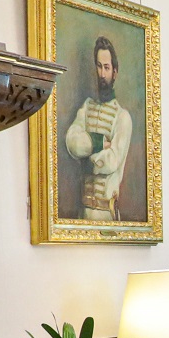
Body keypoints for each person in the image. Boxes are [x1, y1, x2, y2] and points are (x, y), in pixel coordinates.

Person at [63, 36, 135, 222]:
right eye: (98, 66)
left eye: (106, 67)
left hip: (106, 216)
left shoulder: (122, 117)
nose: (102, 74)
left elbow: (112, 161)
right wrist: (98, 142)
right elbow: (72, 143)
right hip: (83, 213)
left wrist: (87, 161)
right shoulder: (87, 107)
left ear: (115, 72)